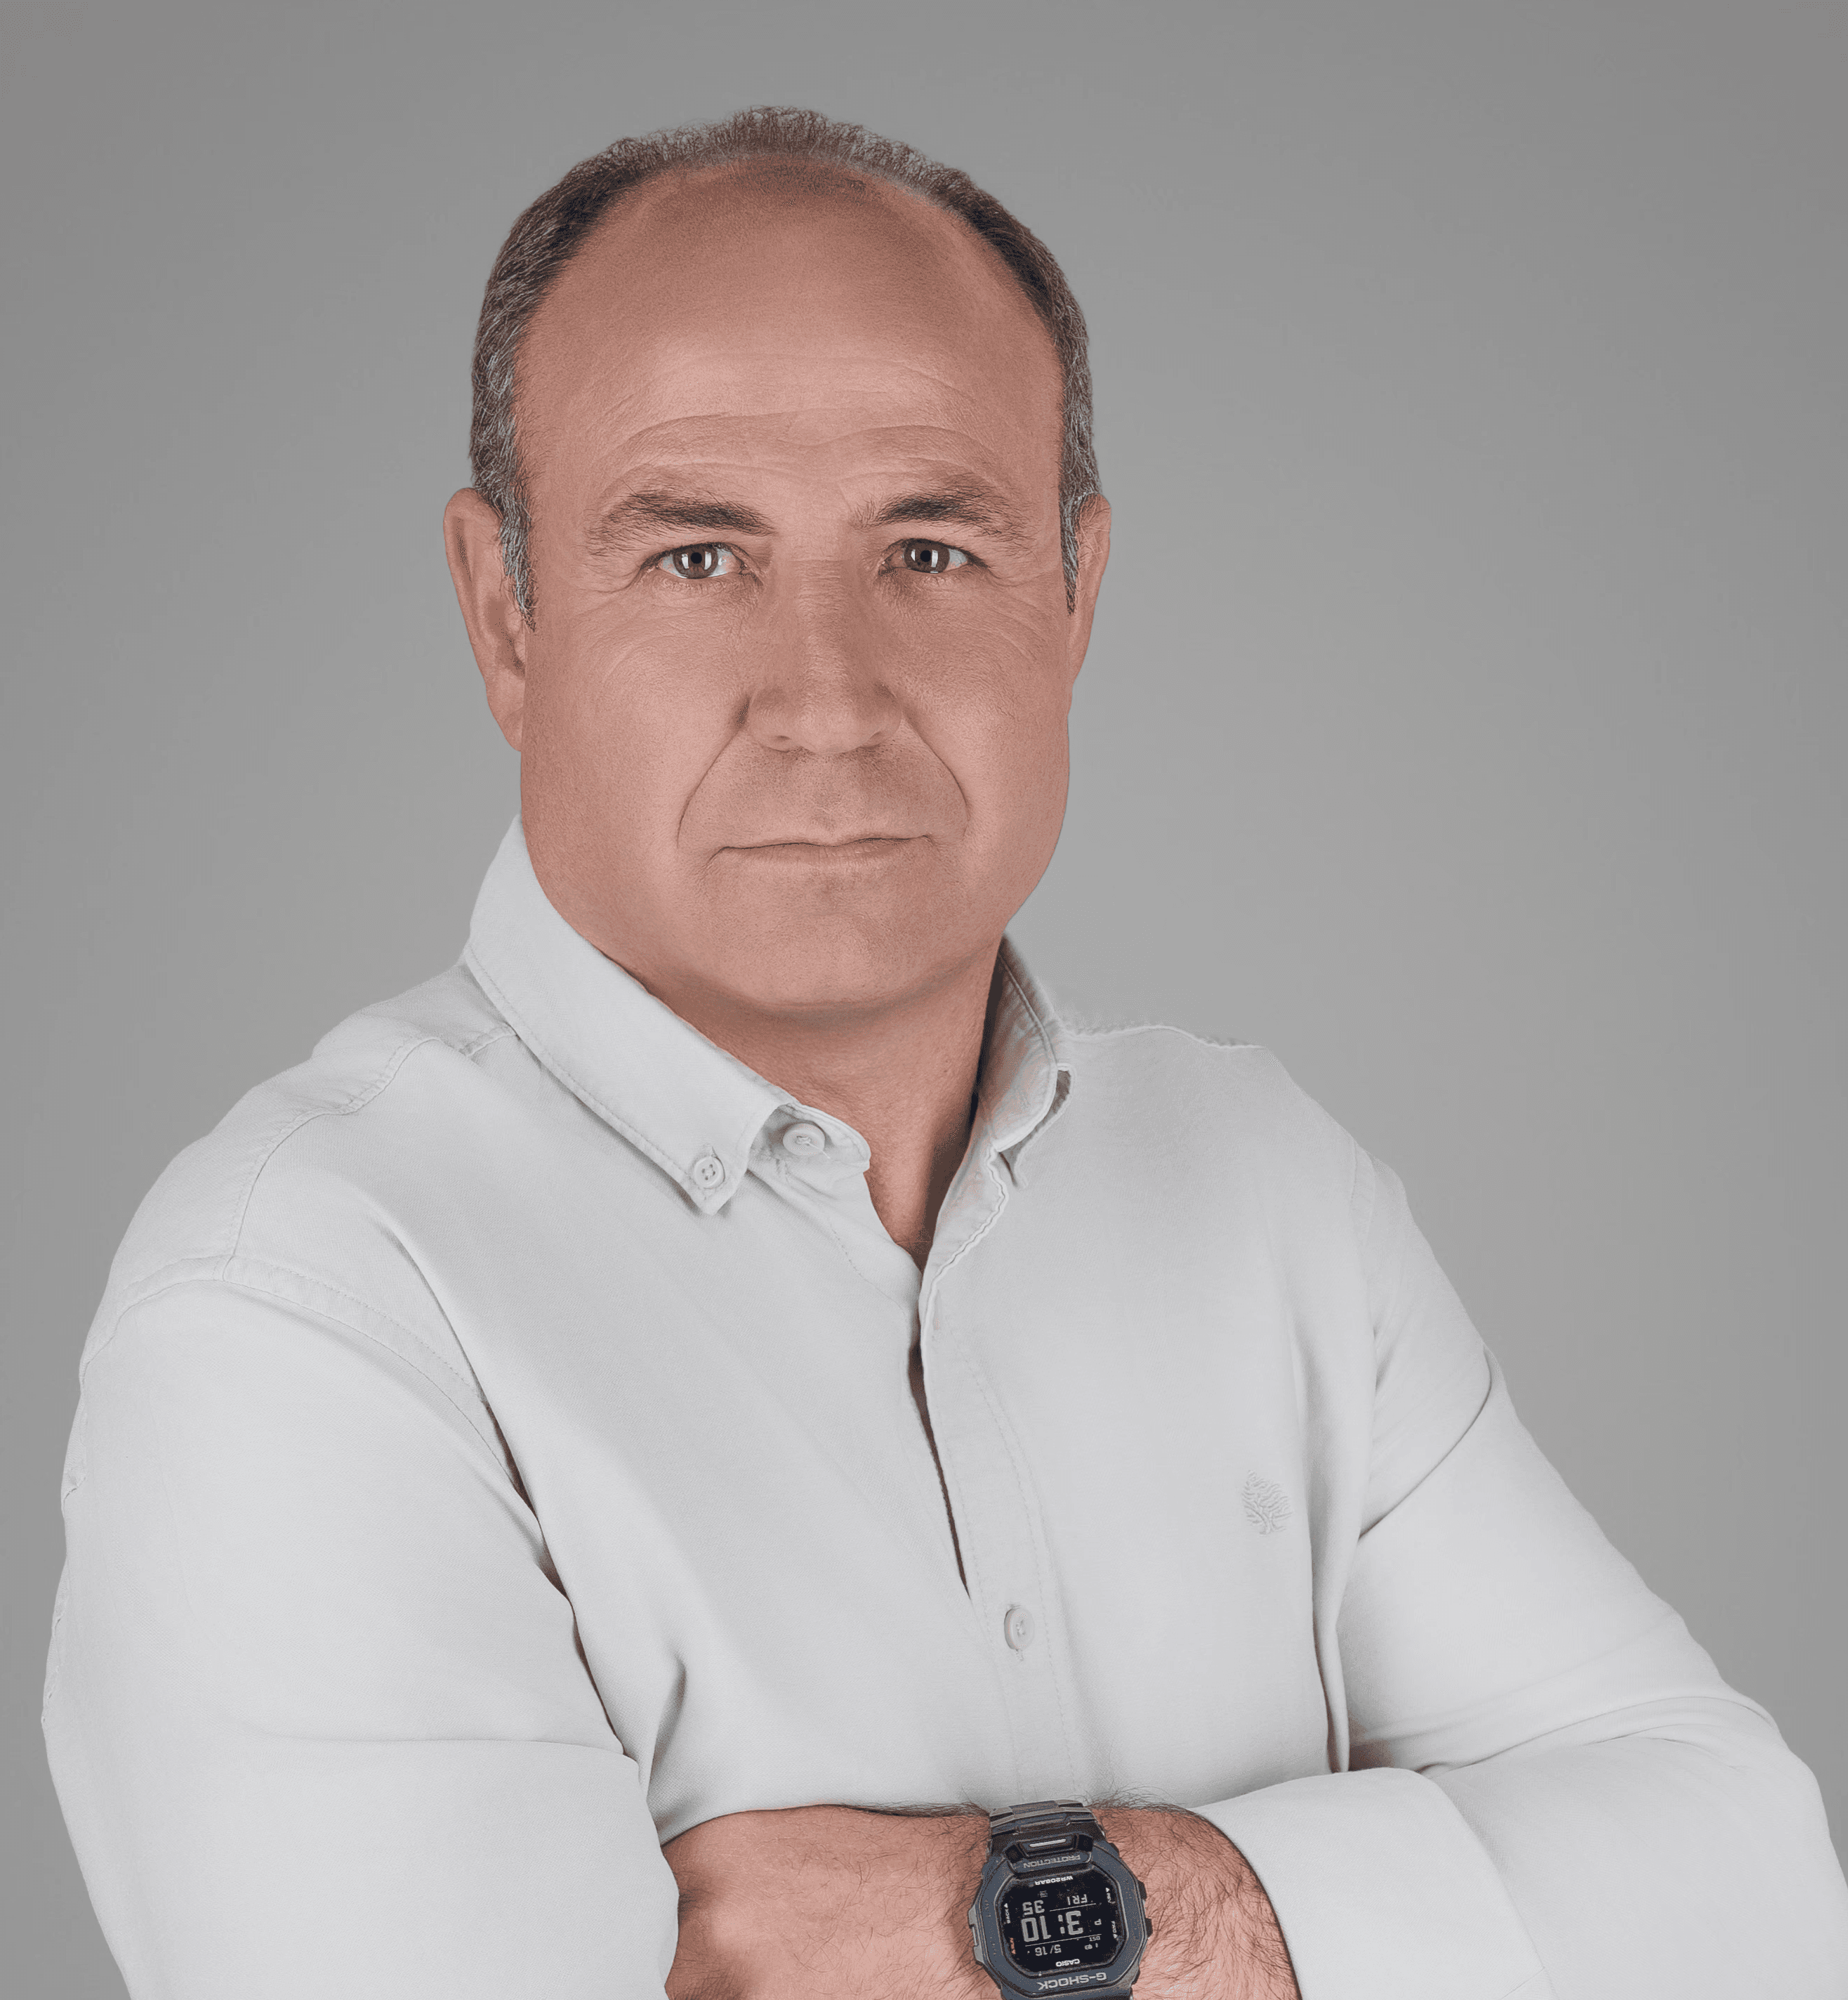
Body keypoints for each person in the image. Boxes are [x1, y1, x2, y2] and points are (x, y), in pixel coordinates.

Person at [43, 105, 1848, 2000]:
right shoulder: (309, 1306)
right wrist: (1401, 1917)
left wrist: (1063, 1924)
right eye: (694, 556)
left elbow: (1749, 1890)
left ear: (1076, 592)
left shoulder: (1263, 1182)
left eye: (927, 545)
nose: (827, 696)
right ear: (506, 616)